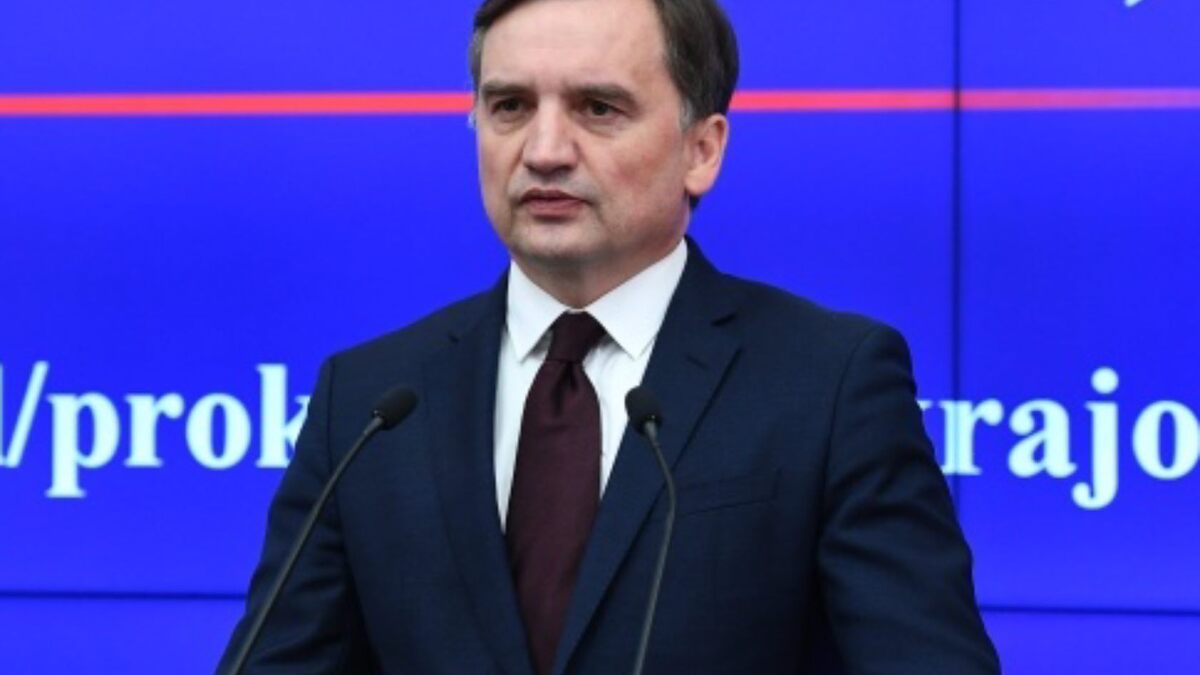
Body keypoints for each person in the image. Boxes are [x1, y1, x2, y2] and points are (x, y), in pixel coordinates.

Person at [219, 0, 1000, 672]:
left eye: (597, 108)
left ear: (702, 149)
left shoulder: (828, 385)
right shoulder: (372, 402)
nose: (544, 151)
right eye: (510, 106)